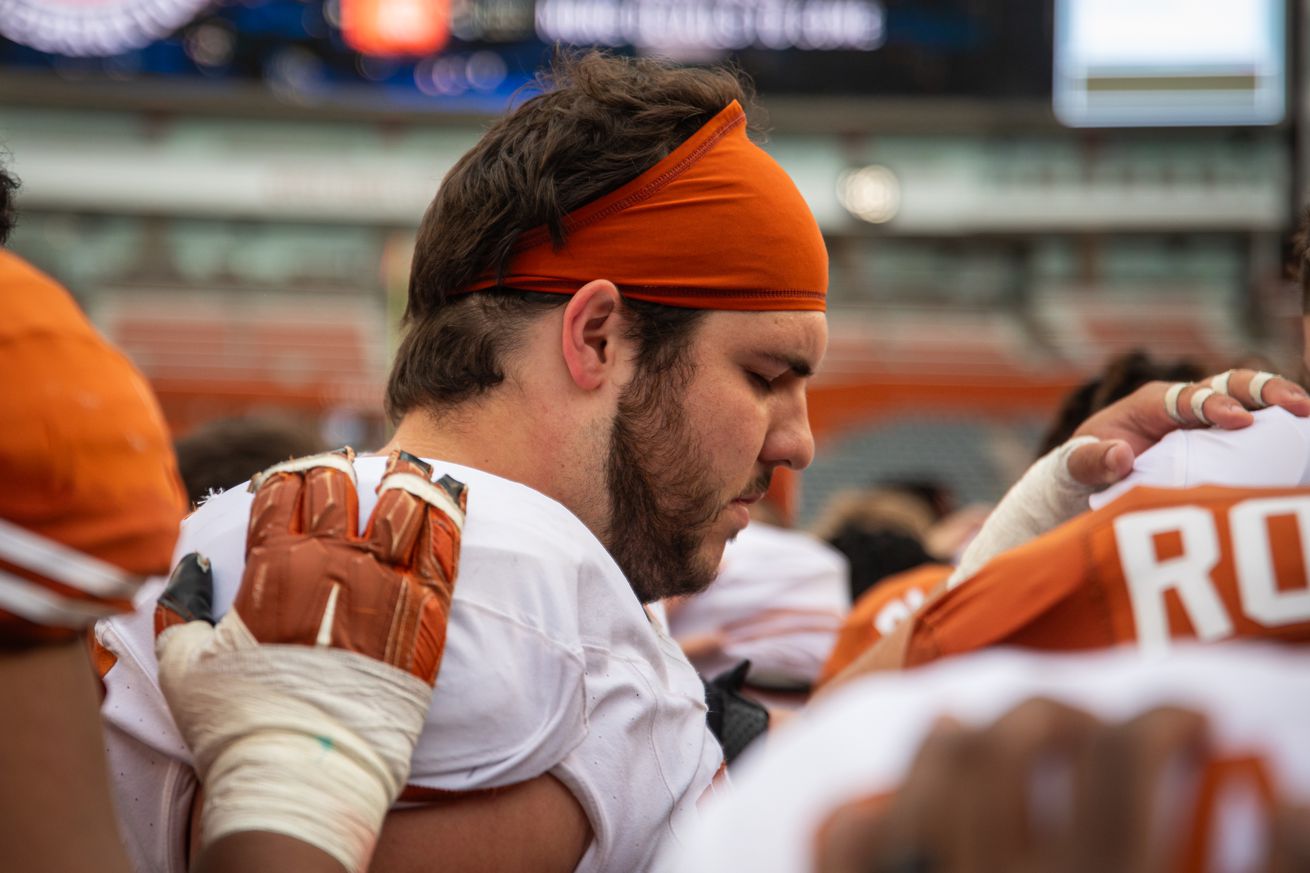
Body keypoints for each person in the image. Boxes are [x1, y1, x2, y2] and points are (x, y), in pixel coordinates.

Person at [95, 51, 1287, 873]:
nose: (798, 439)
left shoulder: (420, 546)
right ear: (597, 333)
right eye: (766, 375)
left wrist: (1019, 539)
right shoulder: (478, 554)